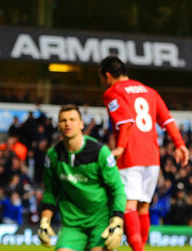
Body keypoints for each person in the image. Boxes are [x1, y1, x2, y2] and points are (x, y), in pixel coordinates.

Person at [99, 55, 190, 251]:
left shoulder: (112, 92)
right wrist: (179, 144)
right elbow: (167, 120)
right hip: (152, 157)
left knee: (128, 206)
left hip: (131, 155)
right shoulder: (149, 91)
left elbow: (126, 122)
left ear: (107, 76)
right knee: (143, 208)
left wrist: (121, 147)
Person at [38, 104, 126, 251]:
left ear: (81, 124)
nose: (67, 123)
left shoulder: (100, 152)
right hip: (72, 225)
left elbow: (117, 188)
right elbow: (50, 191)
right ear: (58, 125)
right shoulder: (53, 155)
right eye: (63, 120)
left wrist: (117, 221)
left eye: (72, 119)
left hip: (100, 223)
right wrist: (45, 220)